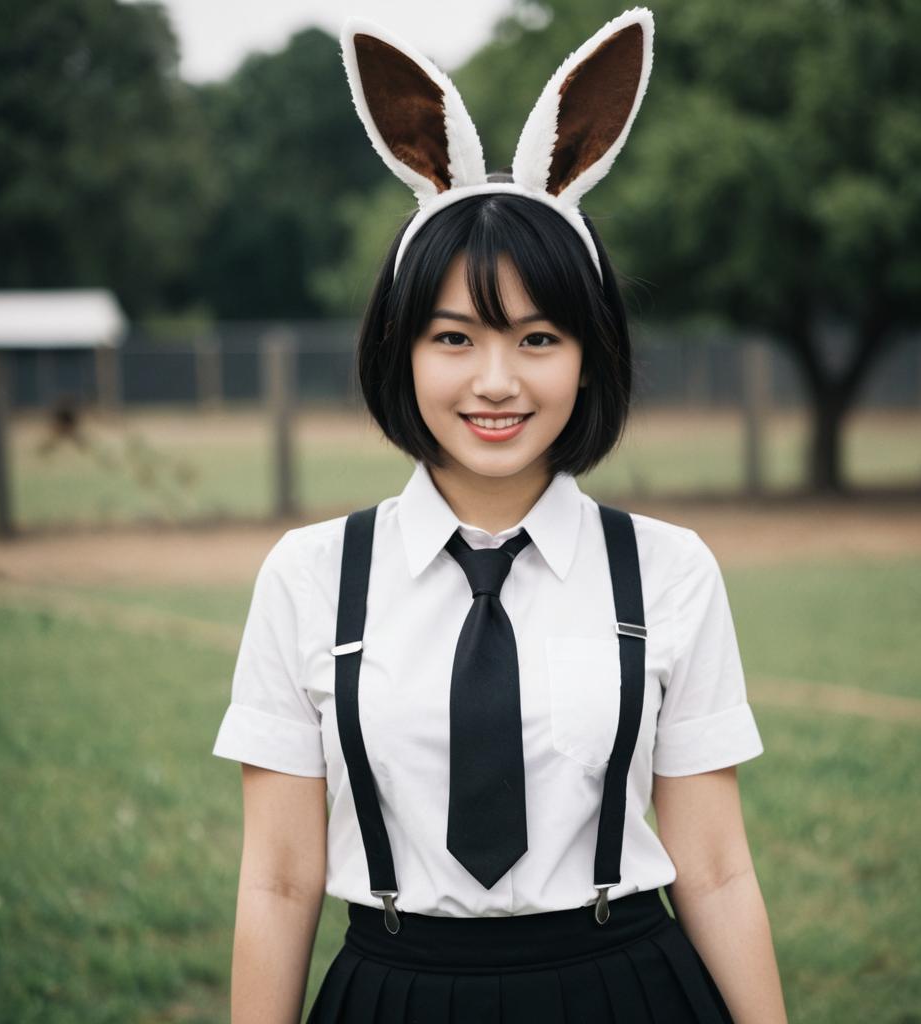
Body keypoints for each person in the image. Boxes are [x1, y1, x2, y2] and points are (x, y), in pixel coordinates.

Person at [212, 8, 788, 1023]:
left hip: (627, 985)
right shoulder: (307, 577)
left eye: (536, 337)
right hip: (392, 989)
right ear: (400, 348)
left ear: (588, 354)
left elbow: (716, 864)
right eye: (452, 336)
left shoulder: (668, 570)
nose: (494, 381)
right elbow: (279, 880)